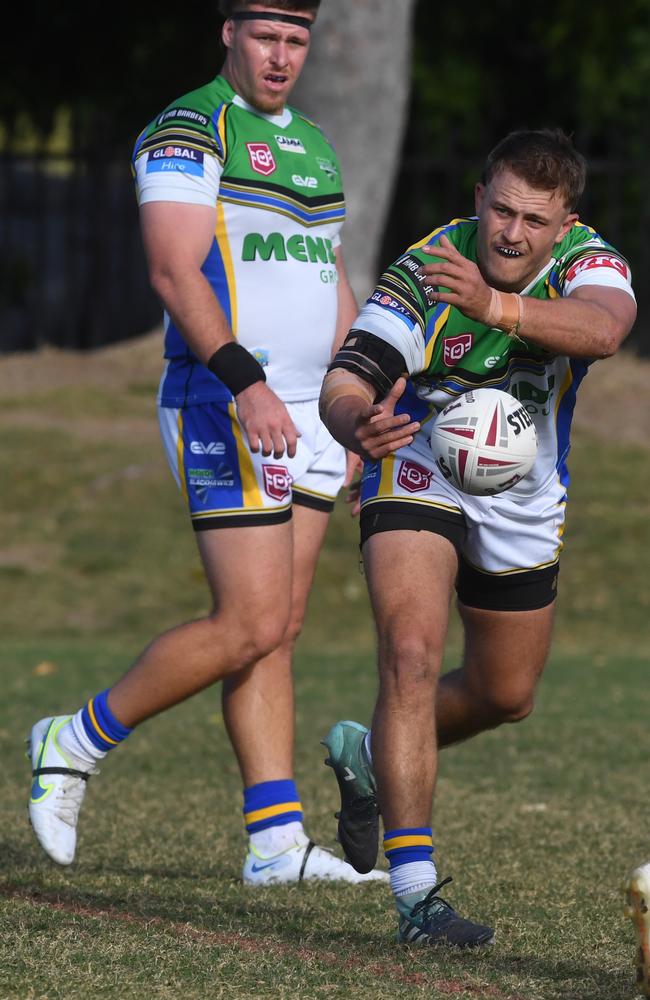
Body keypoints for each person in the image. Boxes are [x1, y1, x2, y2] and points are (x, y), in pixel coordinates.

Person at [26, 0, 387, 886]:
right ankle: (72, 740)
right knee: (250, 620)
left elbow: (328, 273)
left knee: (280, 629)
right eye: (265, 36)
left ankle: (274, 845)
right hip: (227, 397)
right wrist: (247, 383)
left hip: (310, 409)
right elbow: (172, 268)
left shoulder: (313, 143)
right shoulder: (189, 127)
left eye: (297, 40)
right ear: (229, 32)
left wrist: (352, 398)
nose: (280, 56)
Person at [318, 128, 637, 944]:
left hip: (525, 495)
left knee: (506, 695)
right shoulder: (433, 266)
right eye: (500, 210)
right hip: (418, 461)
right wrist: (359, 425)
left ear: (565, 226)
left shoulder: (590, 262)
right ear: (478, 199)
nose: (511, 233)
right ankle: (416, 896)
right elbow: (347, 378)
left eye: (534, 220)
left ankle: (366, 754)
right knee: (412, 655)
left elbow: (604, 330)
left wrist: (496, 308)